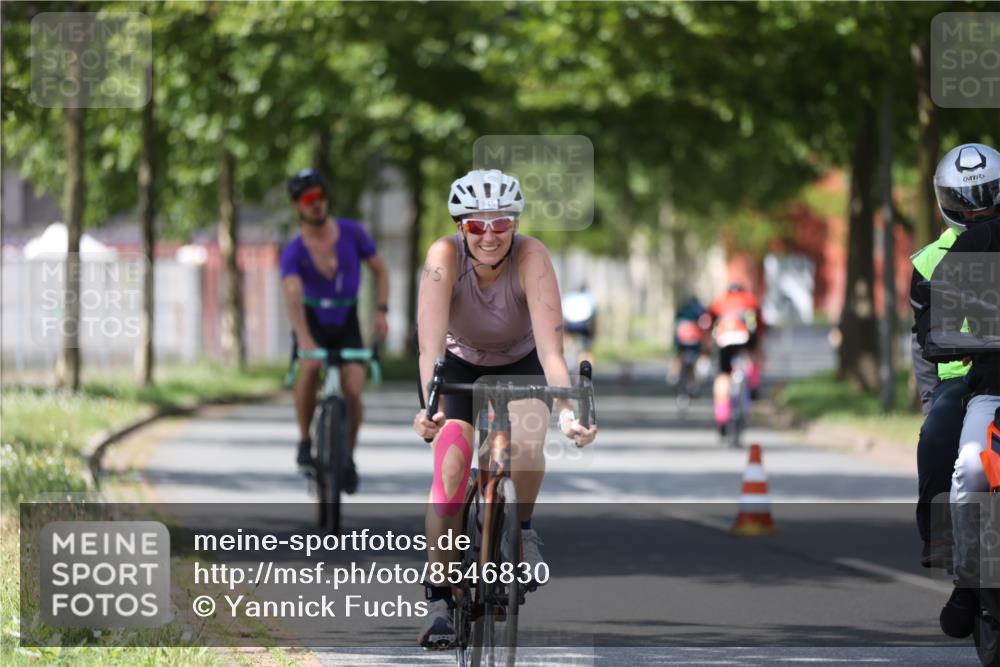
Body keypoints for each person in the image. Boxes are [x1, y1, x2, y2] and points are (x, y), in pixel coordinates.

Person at [412, 168, 597, 648]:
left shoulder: (532, 256)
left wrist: (568, 411)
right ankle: (439, 596)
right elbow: (429, 347)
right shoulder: (442, 258)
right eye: (477, 225)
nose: (490, 235)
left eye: (501, 224)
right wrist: (429, 406)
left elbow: (553, 351)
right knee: (451, 470)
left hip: (523, 361)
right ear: (461, 227)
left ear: (515, 224)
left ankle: (524, 530)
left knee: (529, 444)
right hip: (458, 363)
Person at [914, 142, 1000, 639]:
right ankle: (959, 566)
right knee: (952, 449)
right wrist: (948, 346)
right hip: (972, 377)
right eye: (965, 198)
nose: (977, 207)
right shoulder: (941, 256)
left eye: (987, 195)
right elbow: (926, 329)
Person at [279, 168, 389, 494]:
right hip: (311, 319)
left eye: (320, 196)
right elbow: (292, 293)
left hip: (346, 318)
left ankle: (347, 458)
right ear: (298, 206)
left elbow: (380, 271)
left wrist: (381, 311)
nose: (316, 204)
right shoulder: (294, 250)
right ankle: (304, 440)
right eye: (308, 199)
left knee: (353, 389)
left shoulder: (352, 232)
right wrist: (303, 336)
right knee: (310, 366)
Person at [706, 282, 764, 435]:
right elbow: (759, 325)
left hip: (724, 340)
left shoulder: (719, 301)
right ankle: (753, 385)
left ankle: (722, 416)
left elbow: (709, 323)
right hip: (745, 338)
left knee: (723, 376)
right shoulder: (750, 299)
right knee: (754, 353)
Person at [671, 294, 710, 390]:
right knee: (695, 359)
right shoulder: (700, 311)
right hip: (695, 340)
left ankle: (674, 375)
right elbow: (705, 326)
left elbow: (677, 322)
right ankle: (692, 381)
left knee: (679, 355)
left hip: (681, 339)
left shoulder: (682, 310)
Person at [561, 283, 597, 365]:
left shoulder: (570, 296)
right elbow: (594, 313)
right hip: (584, 324)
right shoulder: (590, 296)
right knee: (586, 347)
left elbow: (563, 309)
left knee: (566, 344)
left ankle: (563, 360)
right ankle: (587, 365)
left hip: (569, 323)